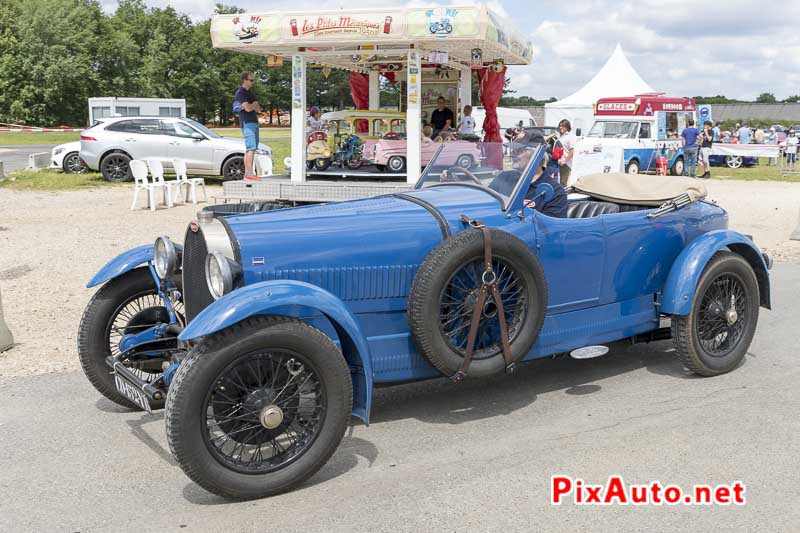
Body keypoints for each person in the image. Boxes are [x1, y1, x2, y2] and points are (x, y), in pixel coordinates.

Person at [234, 71, 262, 180]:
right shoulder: (240, 93)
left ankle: (248, 172)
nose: (252, 82)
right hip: (247, 122)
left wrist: (253, 105)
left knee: (253, 149)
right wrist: (252, 105)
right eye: (251, 80)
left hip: (254, 121)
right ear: (244, 80)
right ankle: (249, 174)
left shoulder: (251, 92)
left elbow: (258, 108)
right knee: (250, 148)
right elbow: (248, 108)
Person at [556, 119, 577, 187]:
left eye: (563, 126)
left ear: (567, 127)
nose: (560, 127)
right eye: (560, 125)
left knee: (564, 183)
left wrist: (565, 161)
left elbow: (572, 150)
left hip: (566, 164)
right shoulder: (561, 136)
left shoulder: (571, 137)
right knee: (560, 182)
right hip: (559, 163)